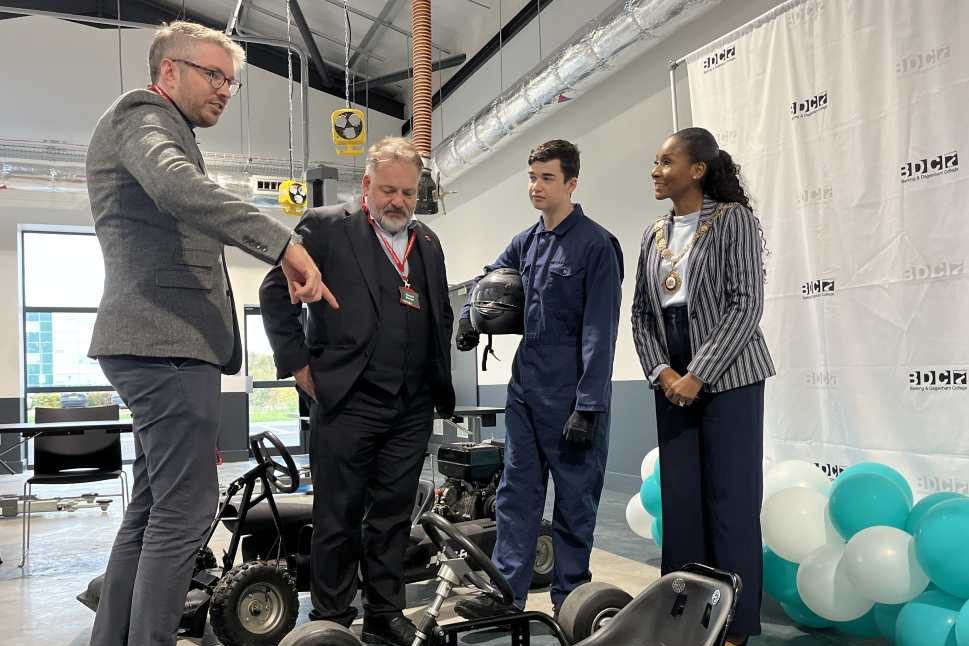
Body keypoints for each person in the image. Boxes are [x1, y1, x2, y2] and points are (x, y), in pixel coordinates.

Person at [85, 21, 330, 646]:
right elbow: (176, 186)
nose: (225, 89)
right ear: (169, 70)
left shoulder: (167, 127)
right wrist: (283, 244)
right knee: (186, 512)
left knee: (151, 510)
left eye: (232, 81)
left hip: (161, 346)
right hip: (163, 343)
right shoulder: (142, 116)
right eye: (213, 74)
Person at [259, 137, 455, 646]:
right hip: (348, 398)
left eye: (408, 193)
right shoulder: (326, 227)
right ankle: (332, 619)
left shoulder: (428, 243)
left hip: (411, 405)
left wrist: (437, 382)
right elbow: (274, 292)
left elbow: (440, 313)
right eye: (388, 190)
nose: (398, 202)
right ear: (366, 185)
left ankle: (385, 614)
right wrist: (298, 365)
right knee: (338, 516)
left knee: (392, 516)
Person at [453, 139, 623, 618]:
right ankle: (506, 595)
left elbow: (600, 331)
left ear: (571, 183)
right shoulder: (526, 242)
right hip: (525, 392)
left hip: (572, 397)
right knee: (515, 496)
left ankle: (571, 601)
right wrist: (468, 318)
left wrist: (589, 405)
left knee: (575, 502)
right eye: (532, 177)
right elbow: (489, 277)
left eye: (547, 178)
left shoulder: (596, 245)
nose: (536, 186)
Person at [630, 126, 775, 645]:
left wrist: (699, 374)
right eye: (655, 161)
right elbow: (641, 313)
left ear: (697, 170)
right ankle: (684, 621)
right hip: (672, 378)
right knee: (682, 504)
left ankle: (734, 627)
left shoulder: (733, 219)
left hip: (731, 375)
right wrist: (663, 372)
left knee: (730, 504)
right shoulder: (653, 233)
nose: (656, 171)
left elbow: (746, 305)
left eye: (666, 162)